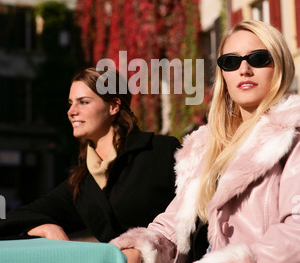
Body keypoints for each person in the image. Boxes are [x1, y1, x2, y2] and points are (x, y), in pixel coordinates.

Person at [111, 20, 300, 263]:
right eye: (231, 62)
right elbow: (174, 227)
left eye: (259, 59)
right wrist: (135, 258)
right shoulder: (207, 147)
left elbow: (295, 236)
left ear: (281, 65)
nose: (244, 70)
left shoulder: (293, 137)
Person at [0, 67, 180, 242]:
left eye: (83, 102)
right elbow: (14, 218)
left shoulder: (161, 151)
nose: (71, 112)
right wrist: (46, 228)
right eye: (71, 103)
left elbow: (199, 212)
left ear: (113, 106)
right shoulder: (82, 183)